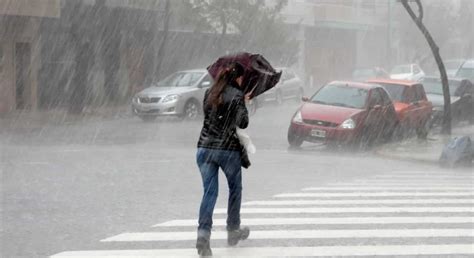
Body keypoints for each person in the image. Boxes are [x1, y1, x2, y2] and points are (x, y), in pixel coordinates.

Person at [195, 62, 250, 256]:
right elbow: (243, 122)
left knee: (209, 193)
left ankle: (203, 236)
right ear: (237, 78)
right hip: (227, 150)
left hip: (204, 148)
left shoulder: (209, 93)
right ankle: (233, 230)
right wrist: (244, 103)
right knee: (235, 189)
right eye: (242, 78)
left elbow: (210, 117)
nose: (243, 81)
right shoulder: (237, 95)